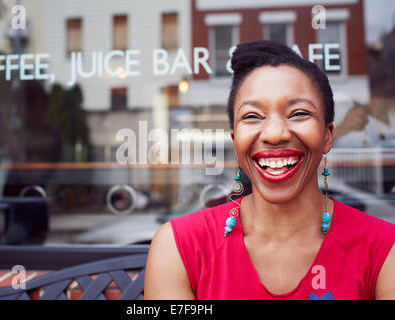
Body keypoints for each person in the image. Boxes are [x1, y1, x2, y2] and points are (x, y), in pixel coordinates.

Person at [144, 40, 395, 300]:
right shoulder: (178, 246)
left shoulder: (384, 249)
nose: (275, 134)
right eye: (252, 116)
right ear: (236, 140)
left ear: (327, 136)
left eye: (298, 113)